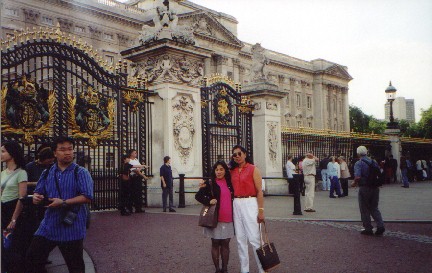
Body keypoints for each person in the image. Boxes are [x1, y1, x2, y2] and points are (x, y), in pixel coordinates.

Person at [25, 136, 94, 273]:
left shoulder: (80, 172)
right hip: (49, 225)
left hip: (71, 226)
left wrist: (63, 202)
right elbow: (38, 192)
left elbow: (87, 197)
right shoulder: (48, 172)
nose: (67, 152)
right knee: (32, 259)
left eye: (70, 149)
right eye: (62, 149)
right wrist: (36, 198)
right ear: (55, 153)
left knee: (75, 267)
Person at [229, 144, 265, 273]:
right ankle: (244, 270)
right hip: (237, 203)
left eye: (239, 153)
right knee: (240, 239)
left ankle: (262, 269)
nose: (237, 156)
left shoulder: (253, 169)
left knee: (255, 239)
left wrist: (261, 210)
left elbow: (259, 191)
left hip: (250, 202)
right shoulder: (231, 171)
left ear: (245, 154)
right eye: (234, 154)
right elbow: (219, 178)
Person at [195, 161, 234, 273]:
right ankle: (217, 269)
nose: (219, 172)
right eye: (217, 169)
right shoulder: (210, 183)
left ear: (225, 170)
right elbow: (198, 196)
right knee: (216, 242)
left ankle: (225, 268)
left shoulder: (230, 182)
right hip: (215, 218)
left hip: (228, 217)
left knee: (226, 243)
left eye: (221, 169)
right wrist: (209, 200)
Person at [1, 141, 28, 273]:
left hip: (12, 210)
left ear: (12, 153)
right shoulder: (3, 172)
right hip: (2, 209)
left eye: (3, 151)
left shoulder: (21, 173)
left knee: (11, 244)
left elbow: (21, 198)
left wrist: (14, 219)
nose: (1, 154)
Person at [352, 146, 385, 236]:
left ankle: (368, 228)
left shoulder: (359, 163)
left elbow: (358, 176)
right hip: (375, 186)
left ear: (358, 153)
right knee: (374, 207)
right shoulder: (373, 161)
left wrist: (354, 183)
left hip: (365, 187)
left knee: (364, 208)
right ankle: (380, 225)